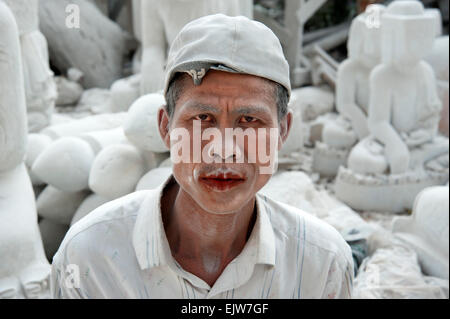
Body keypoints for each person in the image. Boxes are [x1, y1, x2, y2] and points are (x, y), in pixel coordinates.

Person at [51, 14, 353, 299]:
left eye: (249, 121)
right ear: (165, 127)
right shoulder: (89, 257)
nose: (223, 149)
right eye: (201, 119)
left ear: (283, 131)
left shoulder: (321, 263)